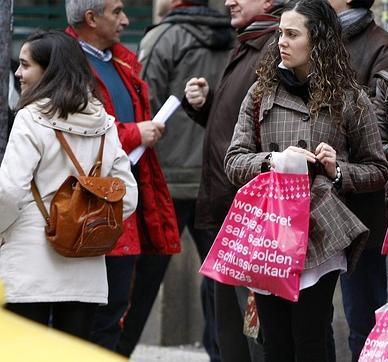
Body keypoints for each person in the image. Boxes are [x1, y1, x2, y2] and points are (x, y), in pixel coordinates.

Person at [224, 0, 388, 360]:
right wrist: (274, 161)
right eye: (281, 33)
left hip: (320, 233)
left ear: (318, 41)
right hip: (270, 230)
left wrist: (338, 169)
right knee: (275, 342)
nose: (281, 42)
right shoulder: (260, 93)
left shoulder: (350, 97)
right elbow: (233, 161)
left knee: (310, 338)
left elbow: (377, 170)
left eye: (292, 34)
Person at [112, 1, 235, 359]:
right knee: (221, 285)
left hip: (164, 181)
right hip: (216, 177)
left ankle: (116, 353)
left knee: (139, 285)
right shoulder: (235, 38)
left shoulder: (163, 37)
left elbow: (140, 102)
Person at [0, 30, 137, 341]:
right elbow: (126, 197)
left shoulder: (30, 118)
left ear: (49, 71)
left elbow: (7, 191)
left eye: (25, 65)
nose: (18, 73)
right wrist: (87, 226)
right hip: (84, 267)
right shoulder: (104, 123)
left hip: (28, 267)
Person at [64, 0, 181, 351]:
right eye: (117, 11)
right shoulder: (66, 63)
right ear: (91, 17)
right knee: (83, 316)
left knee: (114, 311)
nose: (126, 20)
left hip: (123, 202)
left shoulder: (120, 61)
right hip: (82, 207)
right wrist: (134, 133)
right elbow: (75, 129)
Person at [182, 0, 285, 360]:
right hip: (233, 212)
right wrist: (207, 106)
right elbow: (239, 129)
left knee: (251, 337)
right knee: (232, 335)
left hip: (251, 217)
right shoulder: (249, 41)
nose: (228, 0)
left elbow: (274, 131)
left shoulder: (274, 46)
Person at [324, 0, 388, 358]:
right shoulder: (317, 35)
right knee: (312, 315)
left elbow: (381, 122)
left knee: (364, 317)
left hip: (360, 205)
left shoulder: (383, 46)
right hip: (314, 201)